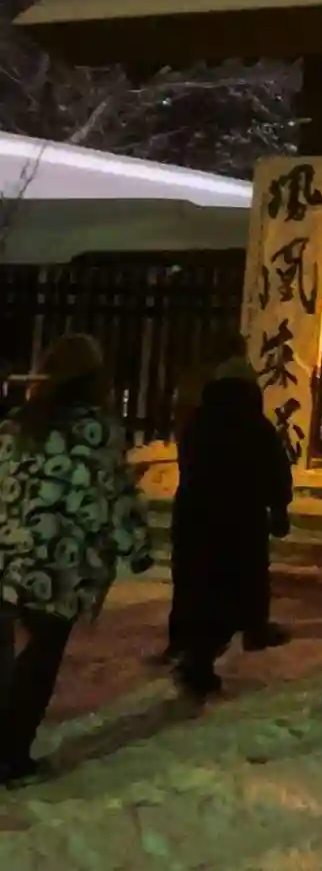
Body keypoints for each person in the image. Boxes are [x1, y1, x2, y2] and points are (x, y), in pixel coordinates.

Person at [0, 334, 153, 785]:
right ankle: (11, 757)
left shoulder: (18, 425)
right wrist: (137, 548)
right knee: (40, 658)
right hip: (59, 565)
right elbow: (113, 498)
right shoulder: (95, 432)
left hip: (7, 554)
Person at [170, 335, 295, 699]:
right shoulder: (257, 426)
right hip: (242, 518)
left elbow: (188, 465)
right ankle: (211, 652)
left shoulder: (198, 422)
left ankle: (194, 652)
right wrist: (279, 508)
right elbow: (276, 471)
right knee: (238, 584)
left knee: (201, 586)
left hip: (196, 515)